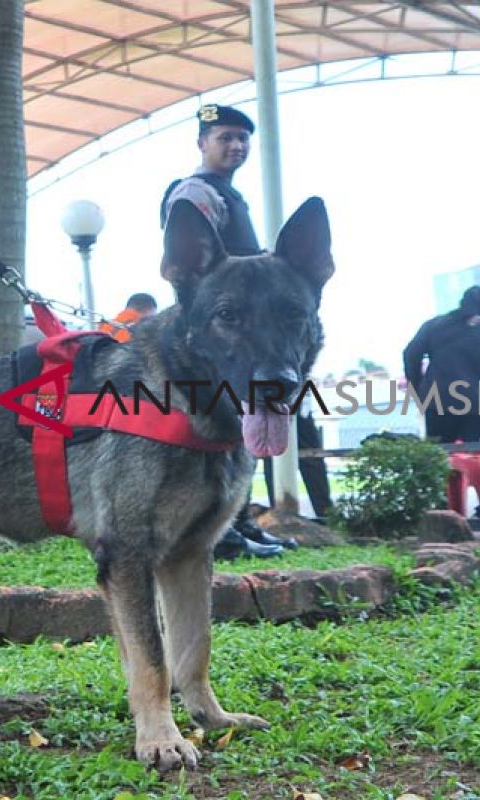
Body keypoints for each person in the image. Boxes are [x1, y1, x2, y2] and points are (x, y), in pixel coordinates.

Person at [160, 104, 294, 559]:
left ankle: (239, 524)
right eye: (224, 137)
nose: (236, 145)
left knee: (245, 423)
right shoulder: (196, 192)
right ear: (202, 143)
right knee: (225, 424)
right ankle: (225, 531)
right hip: (223, 330)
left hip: (245, 329)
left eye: (242, 138)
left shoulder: (227, 193)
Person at [403, 286, 480, 443]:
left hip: (438, 401)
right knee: (476, 456)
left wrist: (417, 388)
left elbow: (411, 354)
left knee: (440, 457)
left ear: (462, 303)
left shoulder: (434, 327)